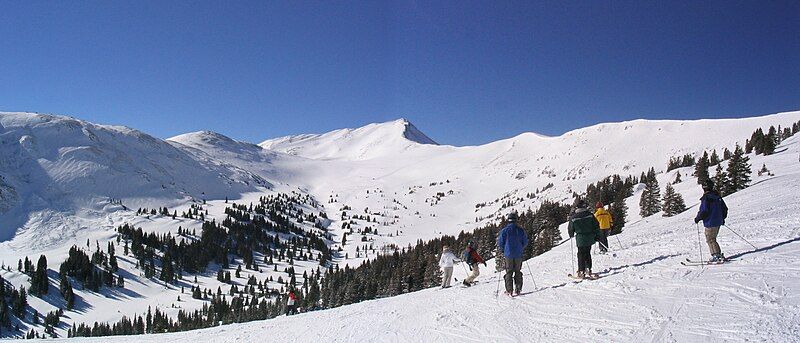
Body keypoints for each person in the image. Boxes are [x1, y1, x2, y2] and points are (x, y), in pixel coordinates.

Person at [694, 179, 729, 262]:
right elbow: (724, 208)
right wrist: (722, 218)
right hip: (718, 221)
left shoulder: (706, 198)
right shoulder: (717, 196)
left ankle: (716, 255)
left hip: (710, 222)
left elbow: (704, 211)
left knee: (710, 239)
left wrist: (698, 218)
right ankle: (717, 254)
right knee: (713, 238)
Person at [568, 200, 601, 279]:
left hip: (580, 238)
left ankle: (581, 270)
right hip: (590, 237)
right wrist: (597, 235)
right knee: (587, 253)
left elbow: (570, 228)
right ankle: (588, 269)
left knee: (580, 254)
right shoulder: (590, 215)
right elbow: (596, 225)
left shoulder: (573, 217)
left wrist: (571, 234)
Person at [497, 212, 528, 295]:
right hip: (518, 254)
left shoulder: (504, 231)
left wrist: (504, 250)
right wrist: (520, 248)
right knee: (518, 271)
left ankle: (509, 290)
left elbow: (500, 243)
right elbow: (525, 242)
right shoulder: (521, 230)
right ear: (516, 220)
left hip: (508, 254)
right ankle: (518, 289)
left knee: (509, 272)